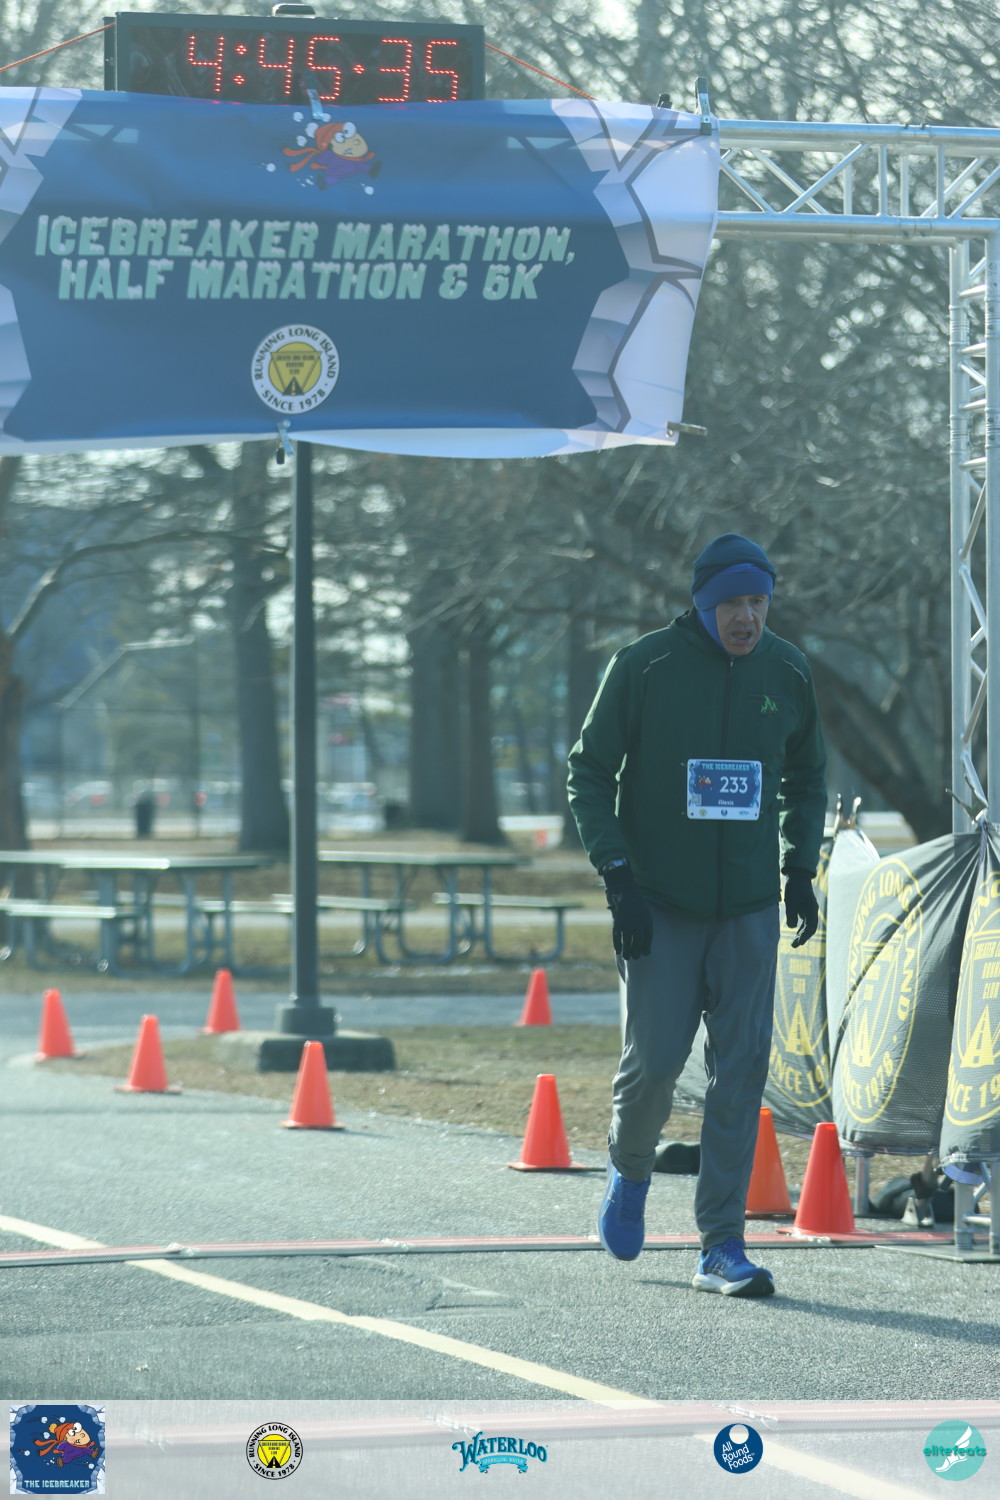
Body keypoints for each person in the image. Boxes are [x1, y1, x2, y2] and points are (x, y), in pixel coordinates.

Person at [567, 533, 827, 1298]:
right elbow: (588, 771)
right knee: (654, 1065)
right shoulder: (644, 666)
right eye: (732, 604)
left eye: (758, 602)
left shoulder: (787, 669)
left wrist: (799, 867)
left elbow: (807, 775)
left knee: (740, 1073)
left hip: (747, 907)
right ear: (703, 605)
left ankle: (721, 1245)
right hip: (661, 903)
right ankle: (629, 1170)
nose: (747, 617)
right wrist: (618, 878)